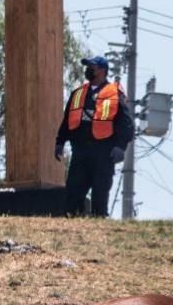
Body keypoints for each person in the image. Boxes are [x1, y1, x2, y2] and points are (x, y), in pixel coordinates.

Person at [53, 55, 134, 217]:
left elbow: (127, 124)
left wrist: (120, 147)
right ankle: (71, 219)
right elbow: (67, 120)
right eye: (88, 66)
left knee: (100, 193)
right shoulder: (77, 94)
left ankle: (99, 222)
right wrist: (60, 142)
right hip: (80, 152)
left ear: (102, 71)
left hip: (103, 153)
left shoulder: (114, 94)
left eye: (92, 67)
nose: (88, 70)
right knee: (73, 192)